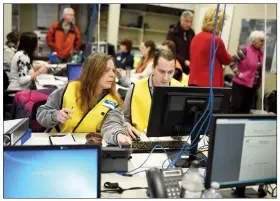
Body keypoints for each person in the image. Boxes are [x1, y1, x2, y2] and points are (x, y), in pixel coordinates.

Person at [36, 52, 131, 145]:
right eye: (106, 70)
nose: (113, 75)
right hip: (55, 146)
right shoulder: (68, 89)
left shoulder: (112, 101)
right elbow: (41, 114)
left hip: (87, 148)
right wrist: (56, 115)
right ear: (92, 72)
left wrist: (118, 136)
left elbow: (112, 125)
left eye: (113, 70)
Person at [121, 49, 184, 140]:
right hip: (141, 140)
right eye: (162, 71)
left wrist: (181, 131)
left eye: (170, 72)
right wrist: (126, 126)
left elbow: (184, 122)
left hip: (171, 142)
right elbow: (124, 117)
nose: (166, 77)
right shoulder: (135, 87)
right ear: (153, 68)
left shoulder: (180, 89)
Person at [188, 7, 232, 87]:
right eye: (223, 22)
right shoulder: (215, 40)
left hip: (193, 82)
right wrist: (236, 57)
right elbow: (227, 60)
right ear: (217, 23)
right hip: (209, 84)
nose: (223, 24)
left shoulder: (196, 37)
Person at [229, 31, 264, 114]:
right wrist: (238, 73)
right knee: (237, 107)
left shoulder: (261, 53)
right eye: (261, 40)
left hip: (253, 86)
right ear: (253, 41)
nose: (262, 43)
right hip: (240, 84)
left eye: (263, 41)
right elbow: (231, 62)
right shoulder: (245, 51)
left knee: (246, 109)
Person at [167, 11, 195, 75]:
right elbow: (171, 51)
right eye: (187, 21)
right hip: (176, 66)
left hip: (188, 67)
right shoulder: (173, 32)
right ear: (181, 20)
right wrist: (184, 61)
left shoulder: (191, 32)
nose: (189, 24)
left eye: (191, 22)